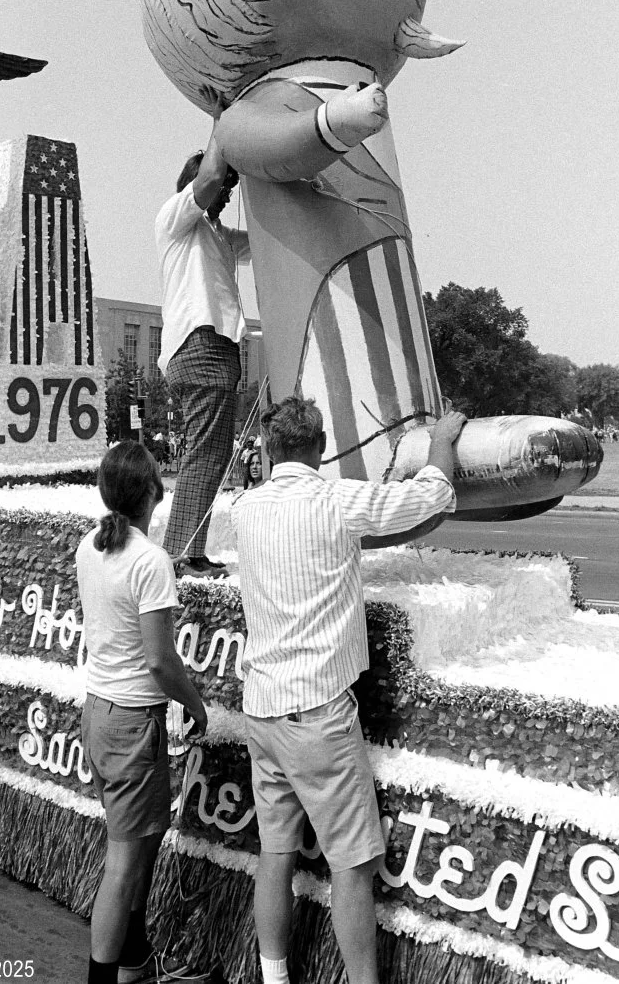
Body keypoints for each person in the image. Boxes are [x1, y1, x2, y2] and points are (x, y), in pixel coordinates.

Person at [232, 395, 465, 984]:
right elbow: (430, 496)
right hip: (317, 715)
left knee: (276, 853)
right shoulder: (336, 498)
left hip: (261, 707)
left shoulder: (245, 508)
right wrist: (443, 439)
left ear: (267, 449)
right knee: (352, 865)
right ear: (319, 448)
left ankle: (273, 977)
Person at [76, 441, 210, 984]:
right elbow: (160, 659)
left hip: (100, 714)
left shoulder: (91, 545)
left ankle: (134, 957)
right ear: (152, 492)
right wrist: (196, 704)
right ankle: (102, 976)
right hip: (135, 723)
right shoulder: (150, 561)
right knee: (124, 863)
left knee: (140, 844)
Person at [155, 94, 251, 578]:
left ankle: (188, 550)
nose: (225, 193)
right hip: (200, 343)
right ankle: (180, 552)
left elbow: (268, 235)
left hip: (217, 347)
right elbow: (211, 176)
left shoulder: (216, 236)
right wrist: (225, 123)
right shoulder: (175, 218)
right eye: (222, 185)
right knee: (204, 452)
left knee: (212, 454)